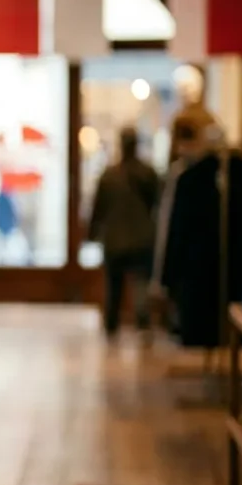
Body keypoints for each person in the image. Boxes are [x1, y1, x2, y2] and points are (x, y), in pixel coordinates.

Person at [88, 125, 161, 337]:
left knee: (115, 286)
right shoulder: (147, 174)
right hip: (141, 238)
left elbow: (98, 209)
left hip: (116, 240)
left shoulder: (110, 175)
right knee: (139, 284)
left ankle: (113, 323)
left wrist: (93, 234)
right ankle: (141, 322)